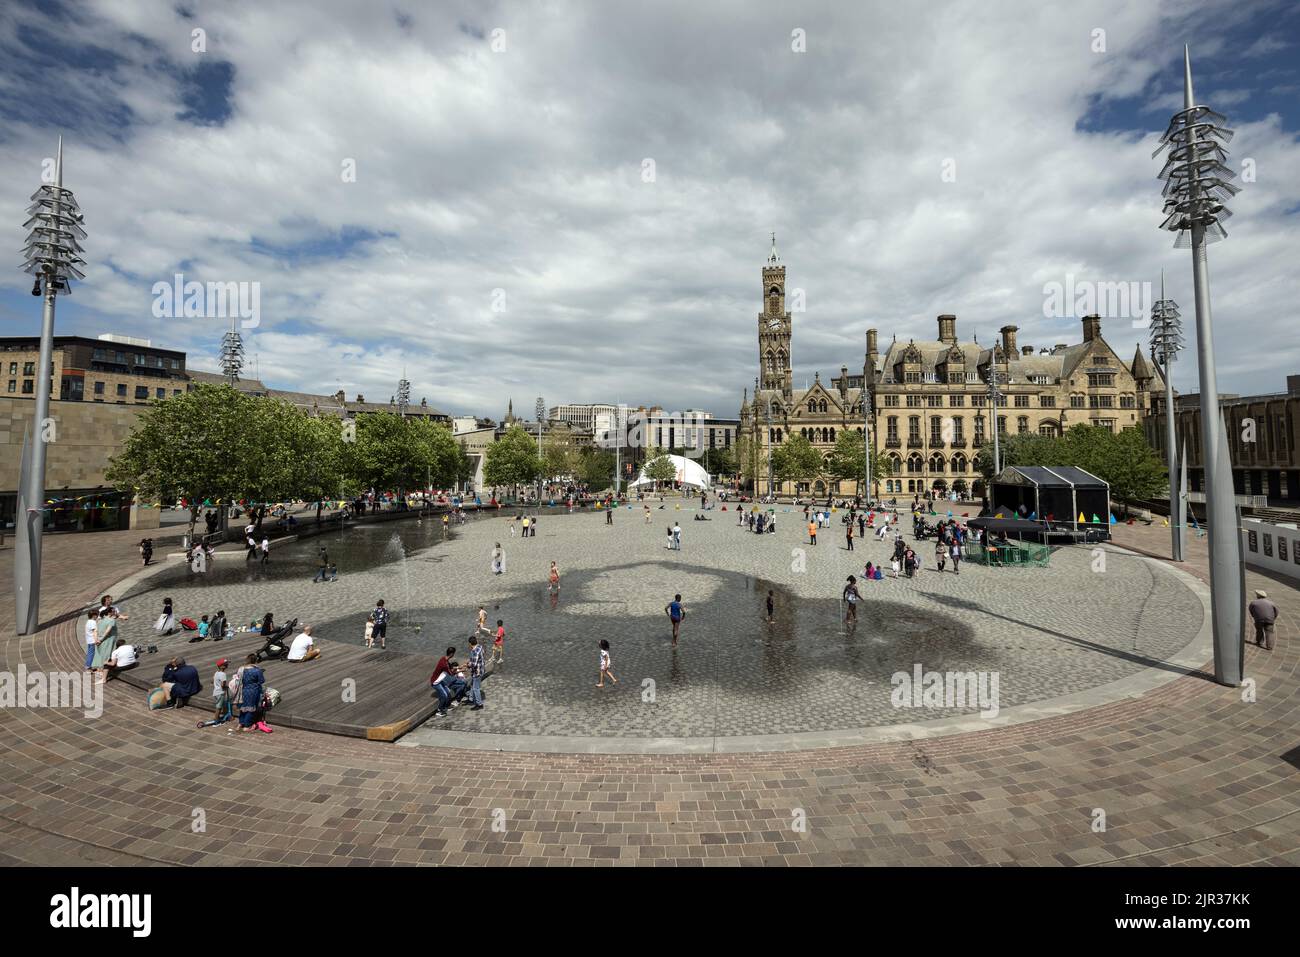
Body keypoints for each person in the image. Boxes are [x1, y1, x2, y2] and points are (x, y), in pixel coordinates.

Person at [237, 654, 268, 731]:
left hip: (244, 689)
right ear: (255, 661)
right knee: (251, 708)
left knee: (243, 707)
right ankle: (247, 726)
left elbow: (238, 678)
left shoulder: (242, 669)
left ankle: (240, 723)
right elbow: (262, 680)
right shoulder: (257, 670)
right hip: (253, 690)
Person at [466, 636, 485, 710]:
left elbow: (473, 664)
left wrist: (467, 665)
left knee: (476, 688)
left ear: (470, 644)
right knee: (472, 685)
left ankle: (479, 704)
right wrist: (469, 662)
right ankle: (470, 699)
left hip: (477, 672)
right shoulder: (480, 647)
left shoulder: (475, 651)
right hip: (481, 669)